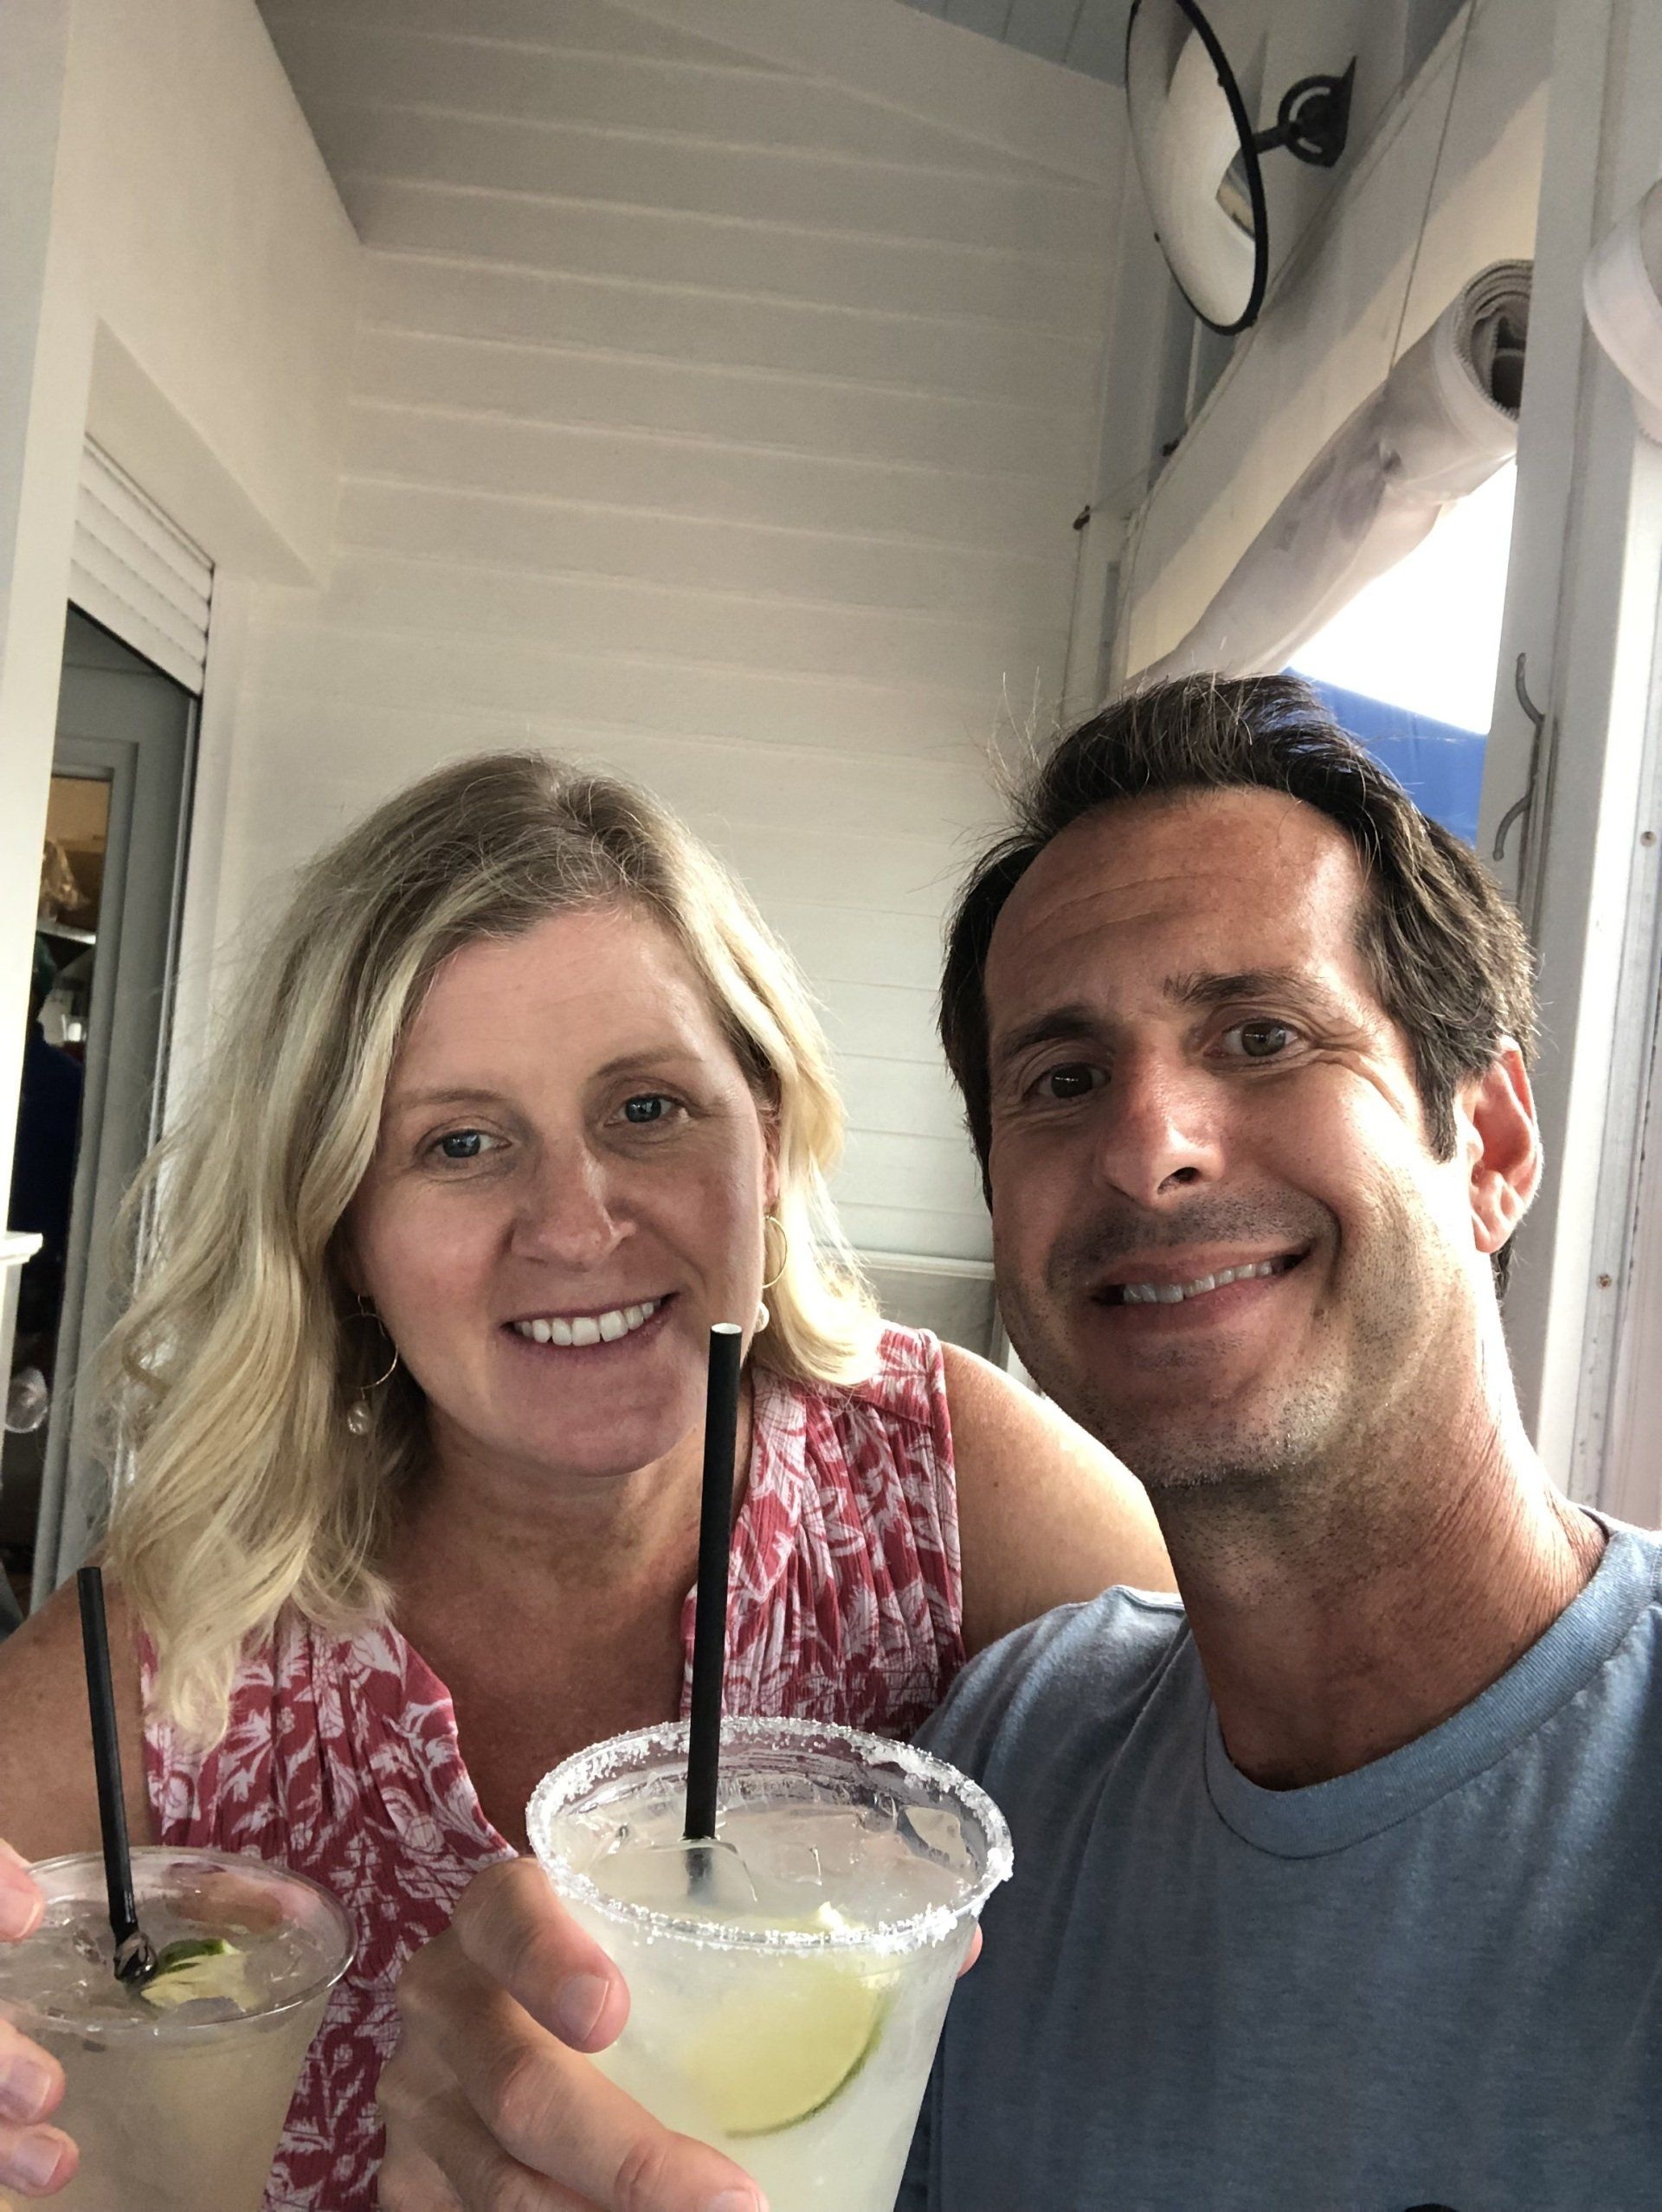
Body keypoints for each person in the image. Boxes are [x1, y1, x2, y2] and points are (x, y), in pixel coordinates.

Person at [371, 673, 1662, 2212]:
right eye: (1059, 1080)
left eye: (1260, 1034)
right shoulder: (1004, 1770)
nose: (1149, 1142)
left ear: (1492, 1144)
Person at [0, 751, 1169, 2209]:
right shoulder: (172, 1659)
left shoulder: (950, 1492)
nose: (572, 1225)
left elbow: (1262, 1886)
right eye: (462, 1143)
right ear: (338, 1226)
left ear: (770, 1131)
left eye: (647, 1109)